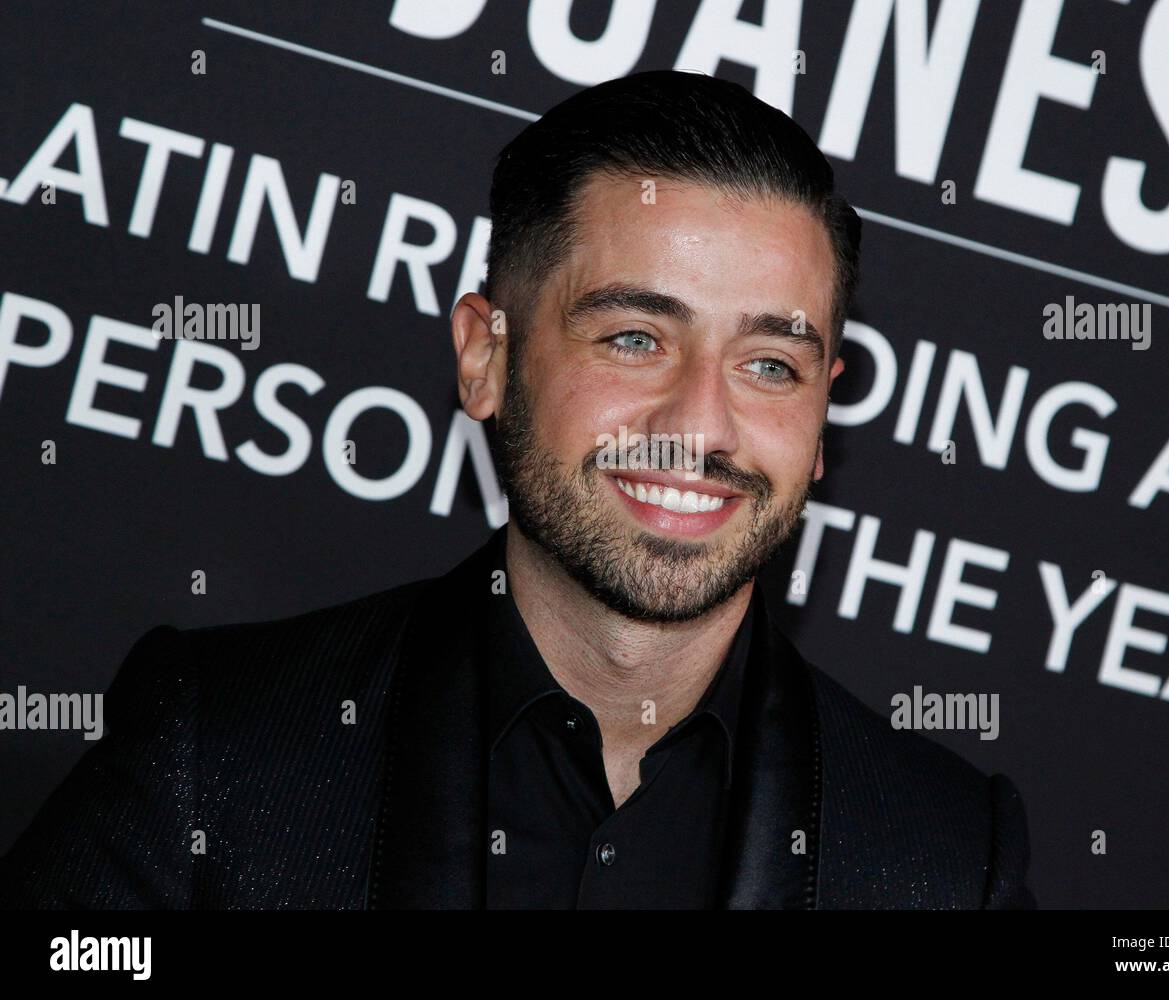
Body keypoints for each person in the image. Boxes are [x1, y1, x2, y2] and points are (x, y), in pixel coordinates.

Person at [0, 70, 1034, 909]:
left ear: (820, 421)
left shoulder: (942, 856)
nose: (698, 428)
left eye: (770, 363)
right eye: (635, 338)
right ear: (485, 356)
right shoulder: (221, 749)